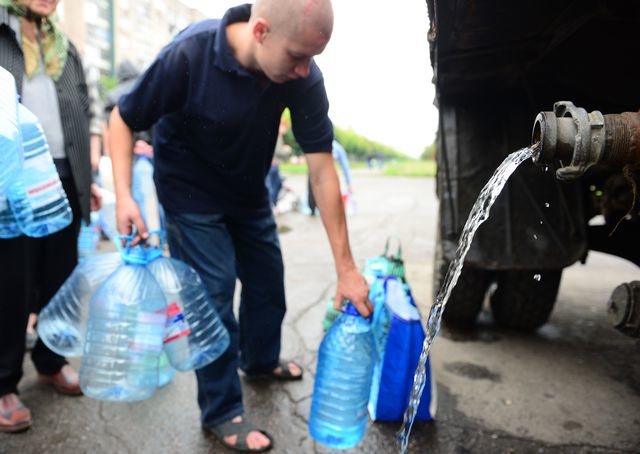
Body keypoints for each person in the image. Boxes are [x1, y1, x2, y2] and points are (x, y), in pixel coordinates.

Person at [108, 1, 371, 451]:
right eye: (297, 57)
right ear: (261, 30)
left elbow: (322, 169)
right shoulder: (189, 55)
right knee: (212, 294)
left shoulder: (301, 73)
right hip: (189, 193)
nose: (305, 70)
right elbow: (123, 118)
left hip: (248, 191)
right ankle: (221, 410)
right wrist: (124, 197)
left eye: (314, 59)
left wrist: (346, 268)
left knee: (268, 283)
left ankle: (261, 360)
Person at [0, 0, 101, 433]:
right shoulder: (2, 33)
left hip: (64, 175)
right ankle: (4, 383)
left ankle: (50, 360)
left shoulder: (65, 46)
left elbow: (85, 107)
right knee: (11, 282)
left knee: (61, 277)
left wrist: (88, 176)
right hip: (14, 179)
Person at [307, 139, 353, 215]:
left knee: (325, 194)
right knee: (321, 194)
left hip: (324, 172)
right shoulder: (337, 147)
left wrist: (349, 182)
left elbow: (345, 166)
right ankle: (317, 209)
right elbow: (345, 166)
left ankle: (318, 210)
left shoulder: (336, 147)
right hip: (319, 171)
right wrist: (349, 183)